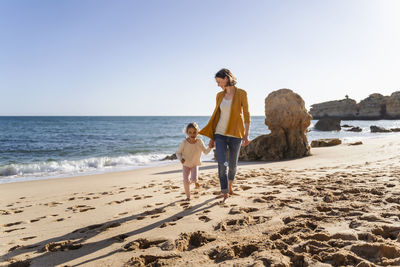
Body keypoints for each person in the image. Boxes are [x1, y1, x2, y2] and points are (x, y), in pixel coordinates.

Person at [199, 68, 250, 202]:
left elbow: (246, 115)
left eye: (219, 81)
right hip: (219, 134)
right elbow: (216, 116)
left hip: (236, 134)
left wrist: (246, 134)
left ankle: (230, 186)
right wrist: (212, 137)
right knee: (222, 164)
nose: (218, 84)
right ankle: (224, 191)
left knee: (232, 165)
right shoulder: (219, 96)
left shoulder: (241, 93)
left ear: (226, 79)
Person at [176, 122, 212, 201]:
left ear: (198, 132)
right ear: (187, 133)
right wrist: (180, 158)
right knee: (186, 181)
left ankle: (195, 182)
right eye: (190, 132)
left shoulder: (199, 142)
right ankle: (188, 197)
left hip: (195, 164)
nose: (192, 134)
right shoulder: (184, 143)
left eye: (194, 132)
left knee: (194, 179)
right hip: (185, 164)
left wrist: (210, 147)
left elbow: (205, 152)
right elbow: (178, 152)